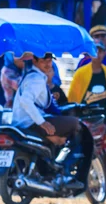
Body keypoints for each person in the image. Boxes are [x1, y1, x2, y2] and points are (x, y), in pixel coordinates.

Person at [11, 52, 83, 188]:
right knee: (75, 123)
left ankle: (51, 170)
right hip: (30, 123)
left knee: (58, 134)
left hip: (22, 123)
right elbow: (26, 101)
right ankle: (67, 173)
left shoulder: (32, 76)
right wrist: (42, 122)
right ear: (35, 61)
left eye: (50, 61)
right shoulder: (36, 79)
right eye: (44, 61)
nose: (48, 64)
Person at [77, 26, 106, 117]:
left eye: (103, 35)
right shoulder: (84, 61)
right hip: (87, 107)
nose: (100, 38)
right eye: (97, 36)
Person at [67, 41, 106, 121]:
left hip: (102, 114)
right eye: (94, 50)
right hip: (84, 114)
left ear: (104, 53)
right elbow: (73, 95)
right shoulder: (80, 72)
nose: (97, 54)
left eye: (100, 51)